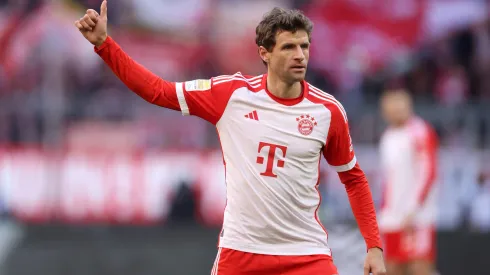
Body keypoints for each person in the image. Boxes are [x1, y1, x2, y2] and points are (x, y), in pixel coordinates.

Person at [74, 1, 386, 274]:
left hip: (305, 253)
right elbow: (158, 91)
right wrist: (105, 45)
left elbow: (353, 179)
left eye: (304, 46)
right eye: (289, 47)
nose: (299, 55)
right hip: (242, 252)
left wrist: (374, 246)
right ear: (264, 52)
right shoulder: (231, 95)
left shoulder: (327, 111)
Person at [378, 89, 439, 275]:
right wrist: (384, 210)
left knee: (418, 266)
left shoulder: (419, 131)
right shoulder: (387, 136)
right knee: (392, 266)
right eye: (391, 107)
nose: (396, 111)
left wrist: (414, 208)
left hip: (416, 215)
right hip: (392, 215)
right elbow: (388, 179)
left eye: (399, 105)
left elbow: (428, 172)